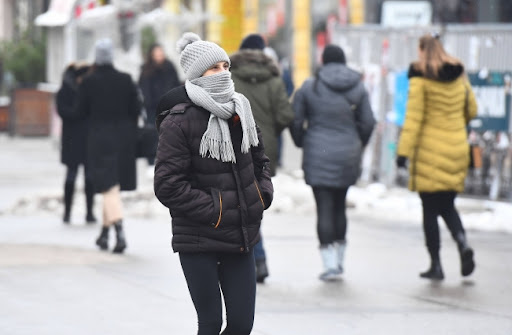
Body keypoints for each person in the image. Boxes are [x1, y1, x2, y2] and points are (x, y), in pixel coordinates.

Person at [154, 32, 273, 335]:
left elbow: (260, 160)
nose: (223, 73)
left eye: (225, 66)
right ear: (197, 75)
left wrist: (260, 196)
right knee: (210, 324)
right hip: (199, 238)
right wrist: (217, 209)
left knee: (241, 325)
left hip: (241, 235)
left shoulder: (241, 111)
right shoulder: (178, 120)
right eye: (214, 68)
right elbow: (168, 184)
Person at [396, 34, 477, 280]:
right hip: (456, 148)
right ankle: (462, 243)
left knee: (430, 210)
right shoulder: (458, 74)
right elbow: (472, 109)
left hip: (430, 152)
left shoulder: (421, 78)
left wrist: (403, 153)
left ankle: (436, 264)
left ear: (422, 50)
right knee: (448, 205)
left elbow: (414, 120)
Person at [291, 45, 375, 281]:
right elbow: (368, 122)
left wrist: (301, 141)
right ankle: (339, 259)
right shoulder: (358, 86)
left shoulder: (310, 86)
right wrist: (358, 142)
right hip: (348, 153)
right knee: (340, 205)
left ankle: (329, 264)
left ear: (323, 61)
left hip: (318, 152)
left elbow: (295, 119)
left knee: (324, 207)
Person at [230, 34, 293, 283]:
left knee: (240, 203)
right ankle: (258, 257)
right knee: (255, 201)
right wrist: (271, 132)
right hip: (264, 149)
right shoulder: (275, 78)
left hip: (235, 147)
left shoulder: (229, 77)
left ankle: (254, 257)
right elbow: (285, 115)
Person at [74, 39, 141, 253]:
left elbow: (79, 112)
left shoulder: (89, 81)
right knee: (110, 185)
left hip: (99, 138)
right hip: (123, 138)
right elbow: (136, 108)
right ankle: (104, 234)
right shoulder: (126, 79)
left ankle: (119, 231)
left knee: (108, 185)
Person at [56, 62, 96, 224]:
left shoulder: (88, 91)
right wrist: (79, 113)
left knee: (89, 177)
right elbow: (63, 112)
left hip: (86, 139)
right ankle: (67, 212)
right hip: (73, 140)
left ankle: (89, 212)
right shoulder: (65, 91)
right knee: (71, 176)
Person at [138, 44, 180, 167]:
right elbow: (142, 87)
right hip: (151, 108)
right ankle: (152, 161)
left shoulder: (170, 67)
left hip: (168, 106)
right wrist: (146, 102)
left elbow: (176, 84)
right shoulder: (146, 69)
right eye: (156, 53)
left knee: (169, 134)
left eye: (161, 53)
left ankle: (169, 160)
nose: (159, 56)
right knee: (152, 134)